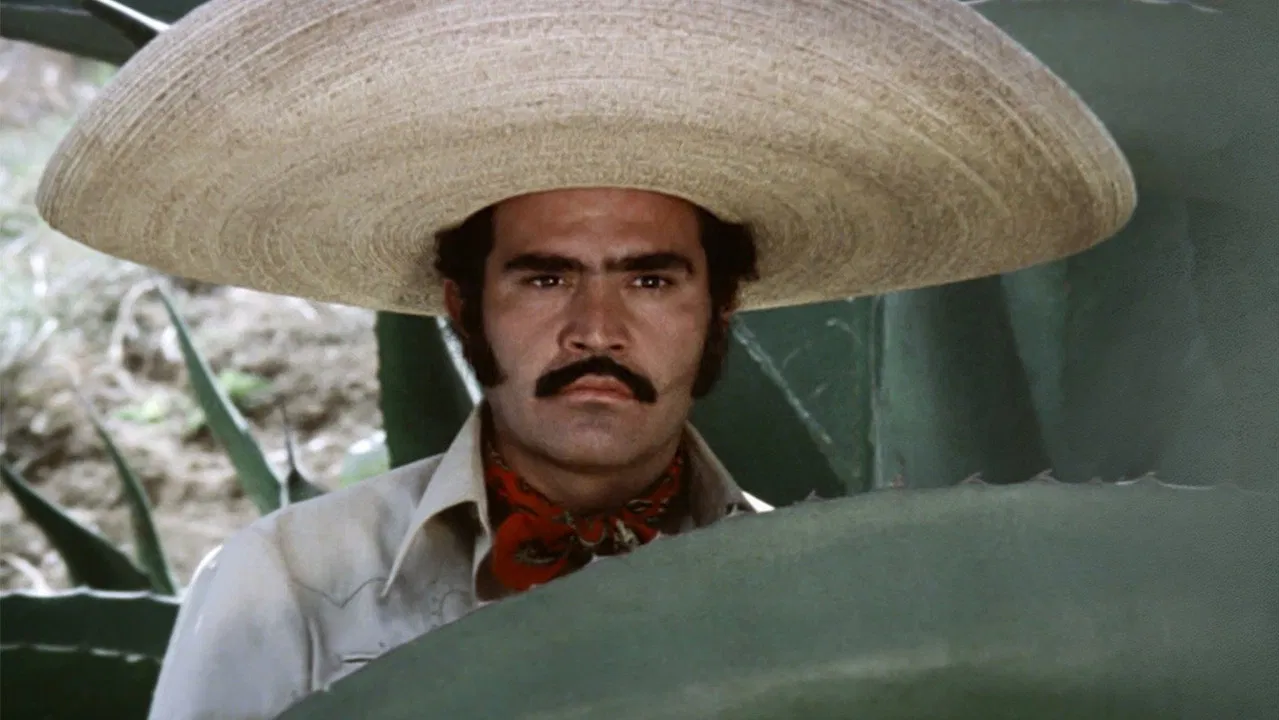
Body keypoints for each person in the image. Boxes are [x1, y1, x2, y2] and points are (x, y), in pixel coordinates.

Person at [34, 0, 1136, 717]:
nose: (596, 330)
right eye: (544, 277)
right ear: (464, 307)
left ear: (720, 310)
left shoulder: (813, 591)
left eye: (651, 281)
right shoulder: (288, 590)